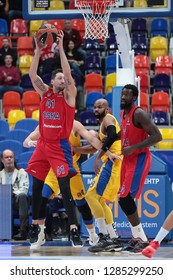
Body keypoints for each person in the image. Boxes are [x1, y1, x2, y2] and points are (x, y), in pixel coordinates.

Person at [24, 30, 85, 249]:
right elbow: (33, 76)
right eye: (58, 77)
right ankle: (37, 229)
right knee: (36, 191)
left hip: (60, 147)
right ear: (52, 81)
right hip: (43, 146)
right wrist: (38, 52)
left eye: (63, 78)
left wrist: (59, 48)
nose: (62, 79)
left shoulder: (69, 96)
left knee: (65, 190)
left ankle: (74, 230)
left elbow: (69, 75)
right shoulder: (45, 93)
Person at [23, 120, 119, 250]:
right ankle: (40, 234)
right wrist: (30, 143)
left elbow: (92, 141)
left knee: (81, 203)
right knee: (43, 198)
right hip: (53, 168)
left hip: (71, 168)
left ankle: (92, 235)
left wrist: (108, 153)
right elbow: (27, 139)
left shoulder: (74, 124)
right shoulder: (47, 124)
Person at [116, 84, 162, 254]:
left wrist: (134, 147)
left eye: (127, 95)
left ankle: (142, 239)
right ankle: (138, 238)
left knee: (126, 198)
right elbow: (126, 132)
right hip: (127, 160)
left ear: (134, 98)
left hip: (139, 159)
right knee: (123, 198)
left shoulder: (139, 113)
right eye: (122, 94)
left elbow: (157, 136)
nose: (123, 97)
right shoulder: (123, 113)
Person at [76, 98, 123, 253]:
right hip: (111, 162)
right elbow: (93, 147)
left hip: (112, 162)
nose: (96, 109)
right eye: (95, 107)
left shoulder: (108, 119)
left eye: (100, 106)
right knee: (100, 200)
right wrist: (75, 150)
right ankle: (113, 238)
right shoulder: (102, 123)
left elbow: (110, 136)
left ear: (107, 108)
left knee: (90, 195)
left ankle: (103, 237)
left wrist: (97, 158)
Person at [0, 149, 29, 240]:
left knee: (22, 196)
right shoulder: (0, 174)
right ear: (2, 160)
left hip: (16, 201)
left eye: (11, 157)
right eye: (6, 157)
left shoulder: (21, 172)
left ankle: (23, 231)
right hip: (2, 201)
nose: (9, 159)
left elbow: (24, 190)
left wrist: (10, 192)